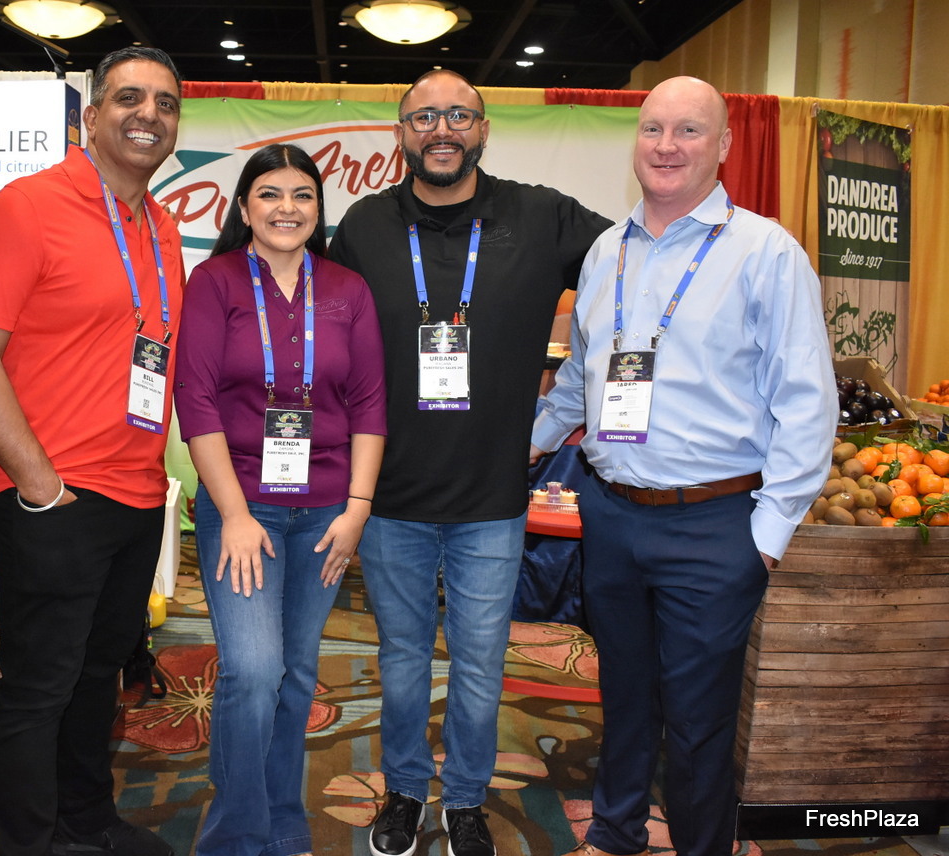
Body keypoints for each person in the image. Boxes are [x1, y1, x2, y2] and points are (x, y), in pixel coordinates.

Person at [530, 76, 835, 856]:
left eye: (689, 131)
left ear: (724, 144)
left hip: (715, 525)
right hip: (611, 514)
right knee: (624, 693)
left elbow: (808, 403)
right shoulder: (606, 252)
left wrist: (765, 538)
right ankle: (616, 830)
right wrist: (523, 441)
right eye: (653, 129)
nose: (667, 147)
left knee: (698, 719)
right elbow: (584, 378)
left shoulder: (766, 253)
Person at [328, 69, 612, 856]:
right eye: (423, 117)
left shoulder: (542, 216)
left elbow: (633, 264)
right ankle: (403, 791)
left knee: (482, 664)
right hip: (391, 497)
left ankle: (464, 801)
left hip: (493, 497)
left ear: (484, 129)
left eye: (459, 114)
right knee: (401, 660)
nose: (441, 129)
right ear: (401, 133)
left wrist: (564, 411)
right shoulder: (365, 227)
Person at [0, 46, 184, 856]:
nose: (148, 115)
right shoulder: (28, 206)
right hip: (53, 495)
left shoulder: (162, 226)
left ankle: (86, 821)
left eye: (164, 103)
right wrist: (39, 485)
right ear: (91, 116)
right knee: (40, 685)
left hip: (137, 494)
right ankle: (26, 840)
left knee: (98, 673)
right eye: (129, 98)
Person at [175, 143, 387, 856]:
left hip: (327, 512)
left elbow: (369, 403)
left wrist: (357, 510)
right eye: (269, 194)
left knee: (296, 672)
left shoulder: (348, 290)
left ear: (319, 210)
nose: (286, 208)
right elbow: (195, 401)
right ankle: (236, 835)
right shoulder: (215, 282)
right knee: (253, 669)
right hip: (243, 507)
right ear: (244, 208)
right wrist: (234, 514)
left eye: (302, 195)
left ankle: (282, 815)